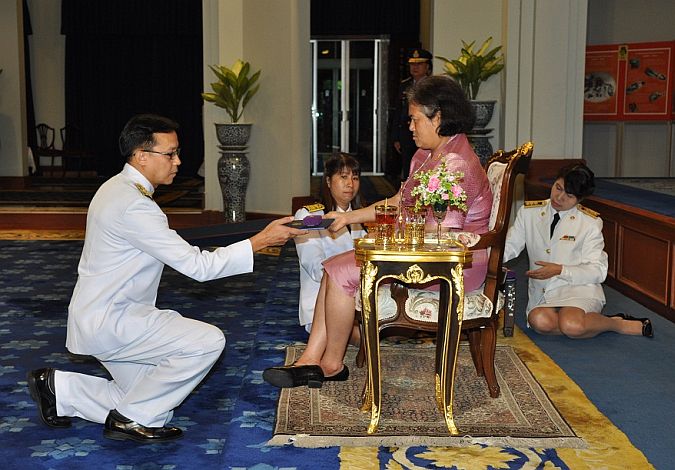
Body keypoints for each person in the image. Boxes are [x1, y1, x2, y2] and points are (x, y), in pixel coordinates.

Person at [26, 114, 306, 443]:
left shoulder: (114, 188)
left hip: (99, 317)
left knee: (144, 403)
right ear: (141, 156)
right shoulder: (135, 206)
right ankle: (130, 420)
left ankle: (59, 389)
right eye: (170, 154)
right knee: (207, 341)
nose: (178, 161)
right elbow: (199, 268)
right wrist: (261, 241)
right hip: (113, 322)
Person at [263, 75, 493, 388]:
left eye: (414, 120)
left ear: (437, 117)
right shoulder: (426, 156)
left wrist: (383, 243)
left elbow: (443, 235)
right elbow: (399, 202)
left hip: (456, 264)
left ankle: (327, 363)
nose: (410, 127)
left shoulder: (456, 163)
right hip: (425, 249)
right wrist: (347, 218)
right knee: (336, 267)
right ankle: (314, 360)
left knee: (341, 268)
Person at [503, 163, 653, 338]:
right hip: (545, 290)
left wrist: (560, 270)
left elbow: (599, 270)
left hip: (579, 286)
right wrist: (483, 258)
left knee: (571, 325)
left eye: (569, 195)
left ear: (580, 199)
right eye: (557, 188)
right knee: (539, 322)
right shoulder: (529, 213)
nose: (559, 197)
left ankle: (616, 323)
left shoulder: (590, 223)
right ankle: (587, 323)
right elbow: (510, 246)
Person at [295, 153, 367, 333]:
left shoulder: (360, 217)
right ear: (328, 181)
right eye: (343, 177)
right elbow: (314, 266)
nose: (350, 184)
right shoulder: (310, 217)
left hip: (361, 300)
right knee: (365, 338)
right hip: (324, 304)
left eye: (355, 178)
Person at [393, 48, 433, 180]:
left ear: (427, 66)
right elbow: (398, 112)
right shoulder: (404, 86)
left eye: (419, 64)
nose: (415, 67)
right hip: (407, 133)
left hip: (427, 132)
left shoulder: (433, 86)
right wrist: (396, 137)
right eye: (412, 64)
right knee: (408, 168)